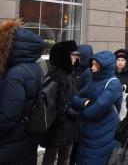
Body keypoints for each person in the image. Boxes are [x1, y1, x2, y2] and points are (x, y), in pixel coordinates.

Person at [0, 19, 44, 165]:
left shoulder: (15, 74)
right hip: (27, 140)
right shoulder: (35, 68)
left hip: (9, 145)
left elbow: (7, 118)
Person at [72, 51, 123, 165]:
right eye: (92, 64)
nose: (93, 68)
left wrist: (80, 112)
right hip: (87, 134)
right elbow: (74, 100)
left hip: (103, 136)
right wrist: (85, 102)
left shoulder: (113, 83)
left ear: (105, 66)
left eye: (96, 65)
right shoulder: (93, 79)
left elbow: (95, 111)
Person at [41, 41, 80, 165]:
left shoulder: (69, 73)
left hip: (68, 126)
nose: (76, 57)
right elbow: (55, 104)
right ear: (64, 55)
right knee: (51, 156)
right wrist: (69, 113)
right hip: (57, 127)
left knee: (65, 157)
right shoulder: (56, 75)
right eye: (73, 54)